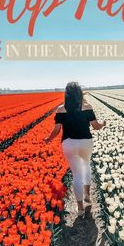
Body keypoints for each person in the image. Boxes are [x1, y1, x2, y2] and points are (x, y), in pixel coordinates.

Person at [45, 82, 106, 216]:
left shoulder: (61, 109)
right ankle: (87, 196)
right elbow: (95, 126)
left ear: (66, 94)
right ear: (79, 93)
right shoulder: (87, 107)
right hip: (86, 142)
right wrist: (103, 124)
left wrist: (48, 139)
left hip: (69, 143)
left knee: (76, 174)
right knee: (86, 167)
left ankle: (80, 208)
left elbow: (56, 130)